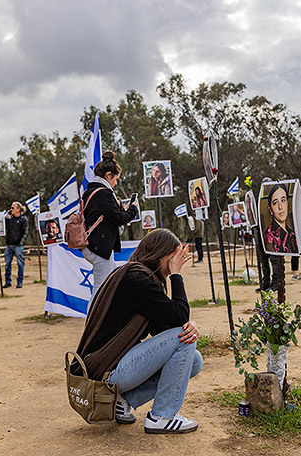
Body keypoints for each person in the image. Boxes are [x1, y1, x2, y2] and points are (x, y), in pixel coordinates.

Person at [73, 229, 202, 433]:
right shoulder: (136, 280)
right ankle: (161, 416)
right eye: (173, 259)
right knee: (183, 339)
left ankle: (123, 401)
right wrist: (176, 275)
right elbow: (178, 321)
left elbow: (164, 326)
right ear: (162, 256)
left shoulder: (136, 277)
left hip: (114, 368)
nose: (175, 265)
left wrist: (186, 325)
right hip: (107, 373)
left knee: (194, 361)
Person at [82, 151, 139, 302]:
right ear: (108, 175)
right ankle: (93, 322)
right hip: (100, 248)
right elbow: (119, 219)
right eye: (116, 179)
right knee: (100, 291)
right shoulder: (104, 194)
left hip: (93, 246)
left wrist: (123, 210)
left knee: (117, 278)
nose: (116, 183)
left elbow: (112, 215)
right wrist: (133, 209)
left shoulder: (90, 191)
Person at [264, 183, 298, 254]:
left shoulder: (292, 234)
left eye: (283, 200)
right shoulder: (269, 236)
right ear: (270, 210)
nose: (280, 207)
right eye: (275, 203)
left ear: (287, 204)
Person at [4, 202, 29, 289]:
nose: (11, 209)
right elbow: (4, 228)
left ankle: (20, 282)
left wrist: (21, 242)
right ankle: (7, 281)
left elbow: (25, 232)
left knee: (20, 264)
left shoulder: (23, 219)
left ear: (18, 209)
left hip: (18, 245)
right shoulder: (10, 219)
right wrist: (7, 217)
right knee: (7, 264)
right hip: (9, 245)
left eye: (13, 208)